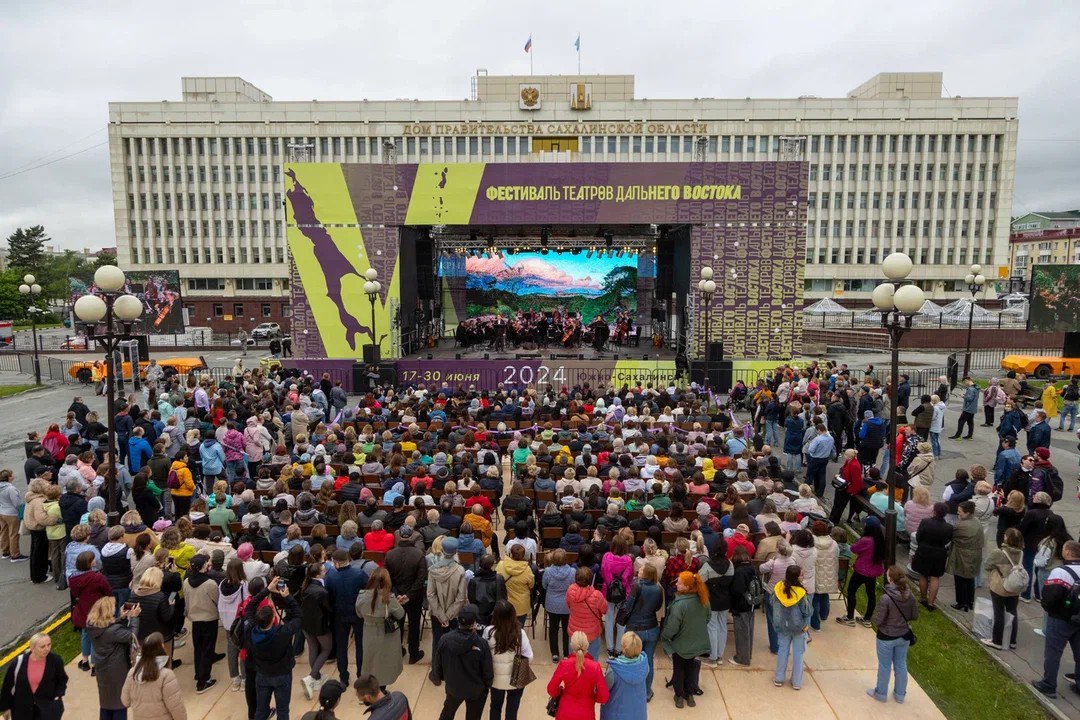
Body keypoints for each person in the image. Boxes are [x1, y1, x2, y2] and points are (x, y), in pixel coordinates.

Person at [244, 576, 302, 720]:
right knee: (282, 711)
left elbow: (250, 606)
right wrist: (287, 596)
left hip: (262, 673)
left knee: (261, 710)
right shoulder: (282, 633)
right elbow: (299, 616)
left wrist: (266, 590)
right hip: (281, 674)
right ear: (272, 619)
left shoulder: (250, 629)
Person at [1032, 540, 1080, 698]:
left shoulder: (1061, 572)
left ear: (1067, 553)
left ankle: (1048, 685)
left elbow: (1049, 597)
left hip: (1060, 618)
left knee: (1053, 652)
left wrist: (1049, 608)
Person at [431, 604, 494, 720]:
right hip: (476, 691)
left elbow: (437, 663)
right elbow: (488, 670)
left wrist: (439, 679)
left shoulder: (445, 639)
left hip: (453, 687)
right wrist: (487, 685)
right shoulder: (481, 643)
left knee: (447, 714)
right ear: (474, 623)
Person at [866, 565, 918, 704]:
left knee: (884, 666)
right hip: (904, 635)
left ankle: (881, 693)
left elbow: (879, 619)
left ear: (890, 579)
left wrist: (882, 625)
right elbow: (914, 615)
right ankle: (900, 695)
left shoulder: (886, 598)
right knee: (901, 665)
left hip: (886, 637)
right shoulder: (910, 595)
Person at [661, 571, 710, 708]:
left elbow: (672, 627)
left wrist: (665, 636)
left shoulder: (679, 605)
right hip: (696, 642)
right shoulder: (703, 600)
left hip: (680, 644)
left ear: (687, 587)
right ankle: (689, 695)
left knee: (679, 670)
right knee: (690, 668)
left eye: (679, 583)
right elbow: (707, 618)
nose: (676, 584)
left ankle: (679, 696)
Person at [87, 596, 140, 720]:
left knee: (106, 704)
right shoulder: (113, 631)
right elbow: (132, 635)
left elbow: (108, 627)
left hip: (103, 671)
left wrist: (120, 618)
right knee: (119, 704)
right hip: (118, 672)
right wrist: (134, 618)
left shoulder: (93, 627)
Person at [482, 599, 533, 720]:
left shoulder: (488, 632)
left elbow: (484, 654)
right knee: (512, 708)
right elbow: (529, 657)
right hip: (516, 679)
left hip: (495, 678)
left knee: (495, 706)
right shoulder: (520, 633)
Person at [324, 549, 368, 686]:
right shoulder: (360, 574)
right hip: (357, 614)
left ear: (336, 563)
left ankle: (343, 677)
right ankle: (360, 675)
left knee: (341, 647)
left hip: (339, 615)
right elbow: (367, 591)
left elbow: (328, 596)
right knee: (360, 645)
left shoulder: (330, 577)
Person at [620, 562, 663, 701]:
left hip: (635, 628)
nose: (639, 570)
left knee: (630, 658)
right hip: (651, 628)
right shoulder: (658, 588)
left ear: (646, 574)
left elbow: (629, 606)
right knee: (648, 661)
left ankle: (631, 690)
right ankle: (647, 692)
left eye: (641, 570)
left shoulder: (636, 586)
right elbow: (657, 607)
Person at [0, 632, 68, 720]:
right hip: (23, 711)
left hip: (47, 709)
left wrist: (57, 697)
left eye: (49, 645)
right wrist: (6, 707)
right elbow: (7, 686)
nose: (47, 649)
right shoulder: (18, 663)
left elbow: (62, 679)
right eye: (42, 646)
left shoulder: (55, 661)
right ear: (32, 648)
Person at [383, 532, 427, 664]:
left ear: (399, 537)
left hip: (398, 596)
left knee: (398, 625)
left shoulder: (390, 554)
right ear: (411, 537)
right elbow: (422, 578)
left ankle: (398, 650)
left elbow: (387, 577)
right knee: (413, 625)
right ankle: (414, 654)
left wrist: (397, 595)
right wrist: (408, 595)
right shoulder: (419, 554)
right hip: (413, 597)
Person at [120, 632, 186, 720]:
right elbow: (176, 708)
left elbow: (125, 701)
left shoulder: (133, 673)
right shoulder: (166, 675)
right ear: (162, 647)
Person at [546, 631, 609, 720]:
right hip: (586, 714)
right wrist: (593, 697)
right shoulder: (595, 667)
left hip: (565, 712)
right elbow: (603, 697)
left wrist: (560, 692)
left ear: (572, 646)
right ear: (587, 645)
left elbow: (551, 690)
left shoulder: (564, 664)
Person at [182, 554, 221, 693]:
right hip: (209, 618)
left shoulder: (186, 581)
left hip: (195, 619)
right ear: (204, 566)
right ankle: (203, 681)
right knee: (207, 649)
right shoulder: (210, 584)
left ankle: (199, 673)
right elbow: (217, 600)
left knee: (198, 648)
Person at [837, 517, 885, 626]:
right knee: (871, 595)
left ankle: (849, 617)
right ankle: (867, 619)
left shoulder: (866, 540)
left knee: (851, 591)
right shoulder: (880, 540)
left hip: (861, 571)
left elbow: (854, 549)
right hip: (873, 573)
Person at [981, 527, 1024, 651]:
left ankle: (997, 640)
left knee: (999, 613)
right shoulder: (1021, 553)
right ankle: (1012, 641)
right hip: (1015, 587)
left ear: (1007, 538)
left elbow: (987, 565)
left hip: (1000, 587)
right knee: (1012, 612)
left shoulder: (999, 553)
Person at [772, 564, 812, 690]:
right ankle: (796, 682)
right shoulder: (801, 593)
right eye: (801, 574)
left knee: (782, 651)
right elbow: (807, 611)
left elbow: (771, 603)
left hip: (782, 625)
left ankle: (779, 678)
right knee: (798, 654)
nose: (803, 575)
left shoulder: (778, 588)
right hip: (799, 628)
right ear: (796, 577)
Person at [427, 536, 468, 654]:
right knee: (454, 646)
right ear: (455, 552)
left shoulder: (432, 570)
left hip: (437, 615)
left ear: (442, 550)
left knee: (437, 644)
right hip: (454, 615)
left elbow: (430, 595)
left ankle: (436, 671)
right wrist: (448, 616)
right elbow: (461, 598)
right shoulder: (460, 571)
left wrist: (441, 615)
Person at [300, 562, 333, 700]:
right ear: (318, 574)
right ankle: (312, 677)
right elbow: (329, 608)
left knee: (313, 647)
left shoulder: (305, 586)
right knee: (326, 649)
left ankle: (316, 676)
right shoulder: (322, 591)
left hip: (305, 623)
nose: (325, 572)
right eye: (324, 570)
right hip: (319, 625)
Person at [697, 537, 733, 667]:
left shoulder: (708, 566)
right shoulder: (730, 564)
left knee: (712, 627)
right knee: (722, 627)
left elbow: (699, 580)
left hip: (712, 600)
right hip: (725, 599)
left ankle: (712, 657)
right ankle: (719, 656)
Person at [911, 502, 953, 611]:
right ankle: (931, 603)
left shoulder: (925, 522)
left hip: (924, 550)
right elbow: (948, 540)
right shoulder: (949, 527)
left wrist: (923, 544)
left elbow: (919, 536)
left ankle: (923, 598)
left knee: (923, 574)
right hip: (939, 553)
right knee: (935, 577)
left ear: (934, 511)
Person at [945, 500, 984, 612]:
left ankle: (962, 602)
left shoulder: (962, 526)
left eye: (960, 512)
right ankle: (970, 601)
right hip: (975, 555)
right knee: (970, 579)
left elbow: (952, 535)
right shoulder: (976, 521)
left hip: (963, 556)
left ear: (967, 513)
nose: (958, 514)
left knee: (960, 579)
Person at [600, 631, 648, 720]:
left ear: (623, 649)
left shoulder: (614, 671)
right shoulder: (644, 665)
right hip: (638, 714)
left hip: (616, 714)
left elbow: (603, 690)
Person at [566, 566, 608, 659]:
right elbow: (604, 610)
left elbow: (568, 605)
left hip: (574, 633)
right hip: (592, 633)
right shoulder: (597, 595)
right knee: (592, 662)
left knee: (573, 661)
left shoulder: (570, 591)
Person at [543, 549, 576, 662]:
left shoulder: (547, 571)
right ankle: (567, 653)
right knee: (567, 629)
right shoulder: (572, 572)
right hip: (567, 604)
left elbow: (544, 585)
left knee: (553, 628)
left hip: (552, 604)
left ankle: (555, 653)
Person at [496, 544, 535, 626]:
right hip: (521, 605)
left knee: (505, 629)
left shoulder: (500, 565)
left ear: (511, 553)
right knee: (519, 631)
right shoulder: (527, 570)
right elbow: (531, 585)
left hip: (504, 604)